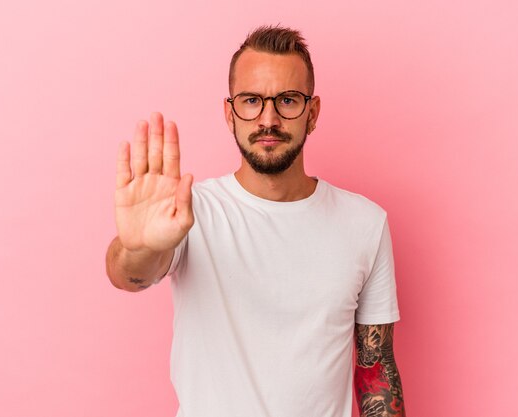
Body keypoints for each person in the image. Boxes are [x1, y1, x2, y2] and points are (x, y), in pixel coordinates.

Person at [106, 26, 405, 417]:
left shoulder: (365, 223)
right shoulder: (187, 211)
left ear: (312, 113)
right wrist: (141, 245)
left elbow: (376, 373)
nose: (268, 118)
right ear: (230, 114)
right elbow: (130, 273)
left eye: (287, 100)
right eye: (251, 100)